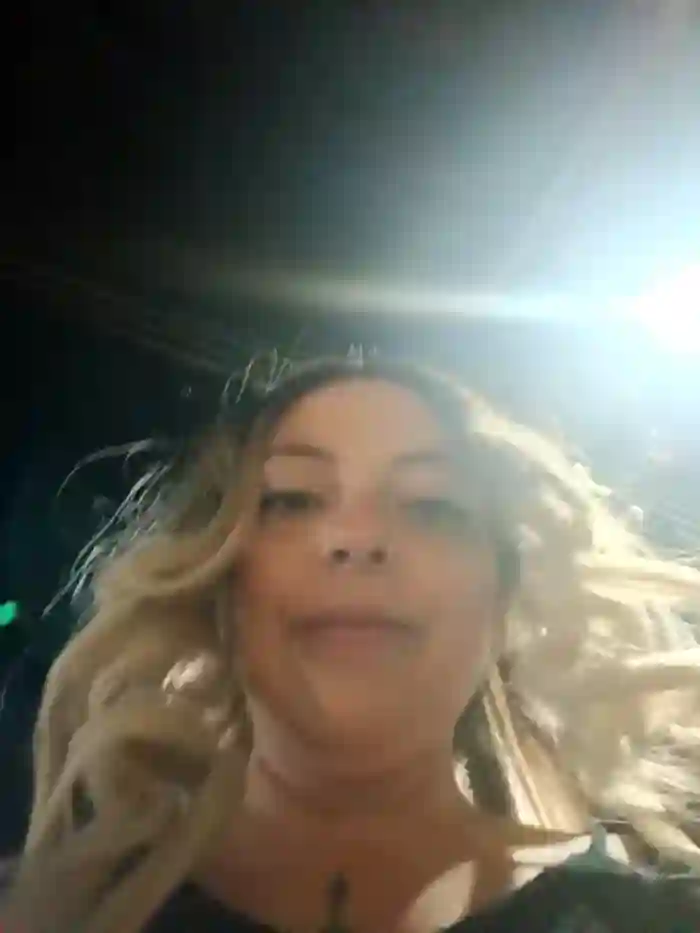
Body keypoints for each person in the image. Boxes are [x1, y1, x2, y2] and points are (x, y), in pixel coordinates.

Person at [3, 356, 700, 933]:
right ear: (219, 583)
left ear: (503, 603)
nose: (359, 537)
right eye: (293, 499)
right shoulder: (55, 911)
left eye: (432, 504)